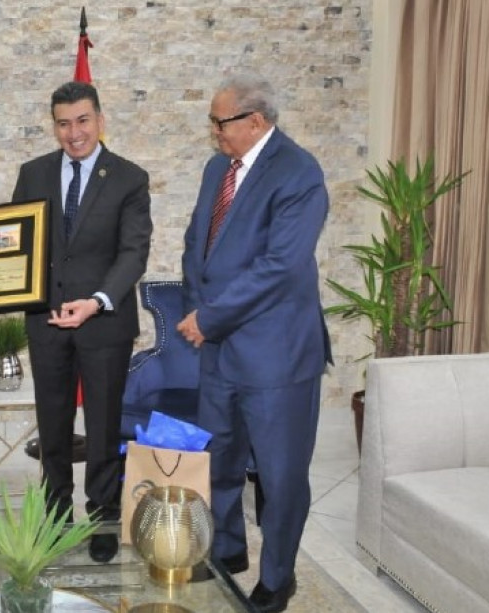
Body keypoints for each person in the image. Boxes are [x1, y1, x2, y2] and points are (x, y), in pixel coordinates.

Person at [176, 74, 331, 613]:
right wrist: (197, 310)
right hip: (219, 349)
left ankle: (279, 577)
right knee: (218, 460)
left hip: (276, 357)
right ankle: (227, 550)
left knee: (280, 475)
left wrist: (209, 317)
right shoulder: (216, 168)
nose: (214, 132)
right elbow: (196, 243)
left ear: (255, 121)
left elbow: (280, 267)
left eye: (219, 122)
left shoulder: (299, 172)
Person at [11, 81, 152, 563]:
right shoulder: (32, 174)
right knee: (52, 428)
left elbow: (133, 253)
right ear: (54, 126)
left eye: (83, 121)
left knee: (103, 427)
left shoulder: (129, 178)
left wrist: (96, 300)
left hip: (103, 323)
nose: (74, 133)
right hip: (47, 320)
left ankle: (104, 518)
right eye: (64, 123)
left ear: (100, 120)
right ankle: (56, 517)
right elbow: (21, 244)